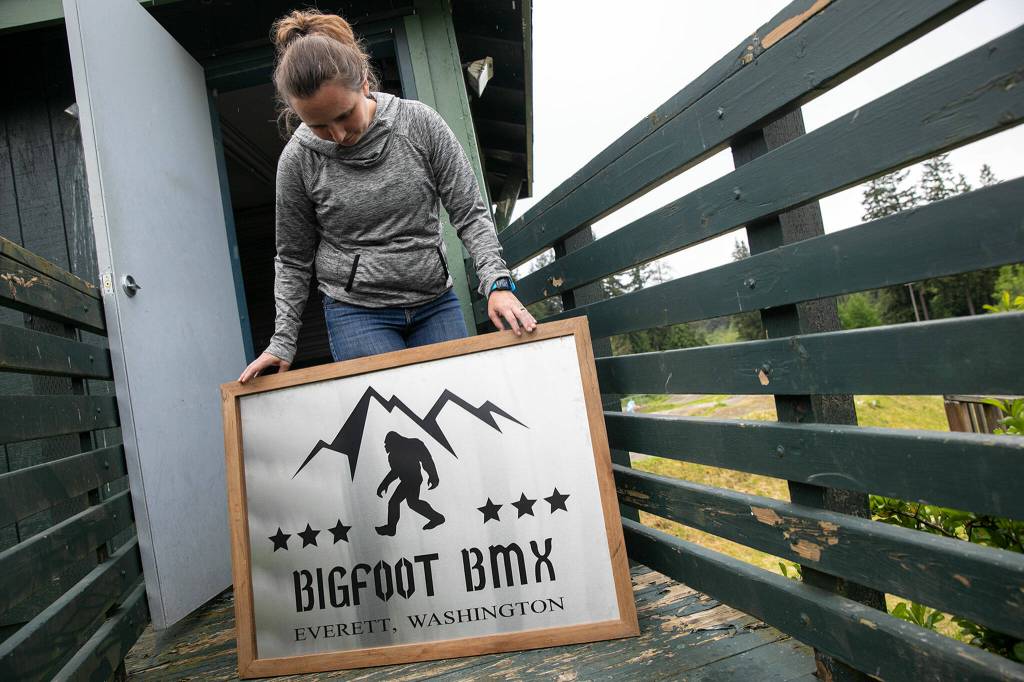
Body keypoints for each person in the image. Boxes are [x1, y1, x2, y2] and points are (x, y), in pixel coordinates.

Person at [238, 9, 535, 383]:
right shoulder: (298, 161)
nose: (338, 135)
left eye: (344, 115)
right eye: (318, 126)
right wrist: (282, 341)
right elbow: (293, 259)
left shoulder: (419, 124)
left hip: (435, 302)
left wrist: (496, 282)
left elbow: (469, 212)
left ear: (364, 83)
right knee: (391, 409)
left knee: (456, 400)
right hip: (356, 312)